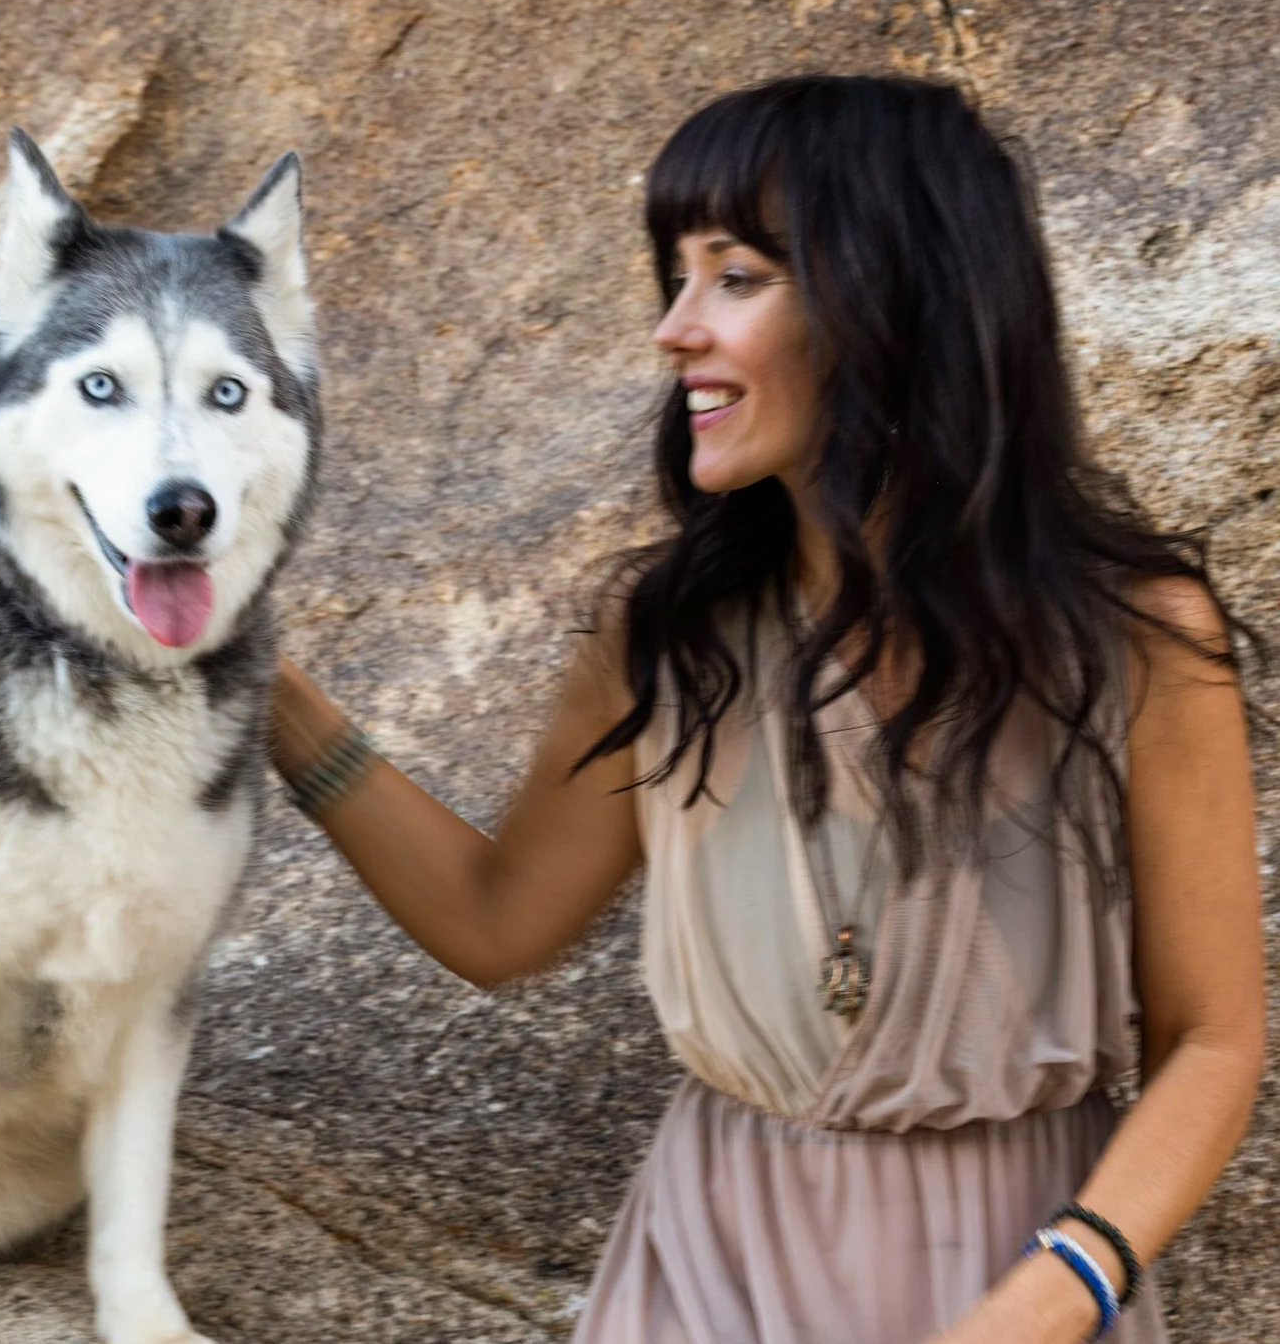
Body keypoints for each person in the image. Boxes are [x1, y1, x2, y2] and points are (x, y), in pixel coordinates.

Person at [269, 75, 1266, 1344]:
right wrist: (272, 699)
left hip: (1023, 1279)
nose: (674, 330)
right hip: (704, 1270)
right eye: (674, 278)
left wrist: (1053, 1295)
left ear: (891, 298)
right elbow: (494, 921)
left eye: (733, 276)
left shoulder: (1134, 640)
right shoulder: (665, 636)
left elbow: (1214, 1040)